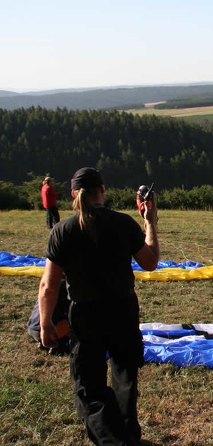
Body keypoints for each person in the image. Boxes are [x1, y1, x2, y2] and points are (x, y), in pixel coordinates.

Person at [38, 167, 159, 445]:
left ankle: (114, 439)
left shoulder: (62, 231)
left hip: (85, 315)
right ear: (102, 191)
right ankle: (127, 436)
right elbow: (150, 262)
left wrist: (45, 324)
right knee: (125, 377)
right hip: (123, 311)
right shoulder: (124, 223)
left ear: (72, 195)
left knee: (89, 388)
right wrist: (150, 222)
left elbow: (49, 286)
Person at [28, 274, 70, 354]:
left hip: (33, 328)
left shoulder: (50, 283)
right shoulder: (67, 285)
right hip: (49, 330)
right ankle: (60, 342)